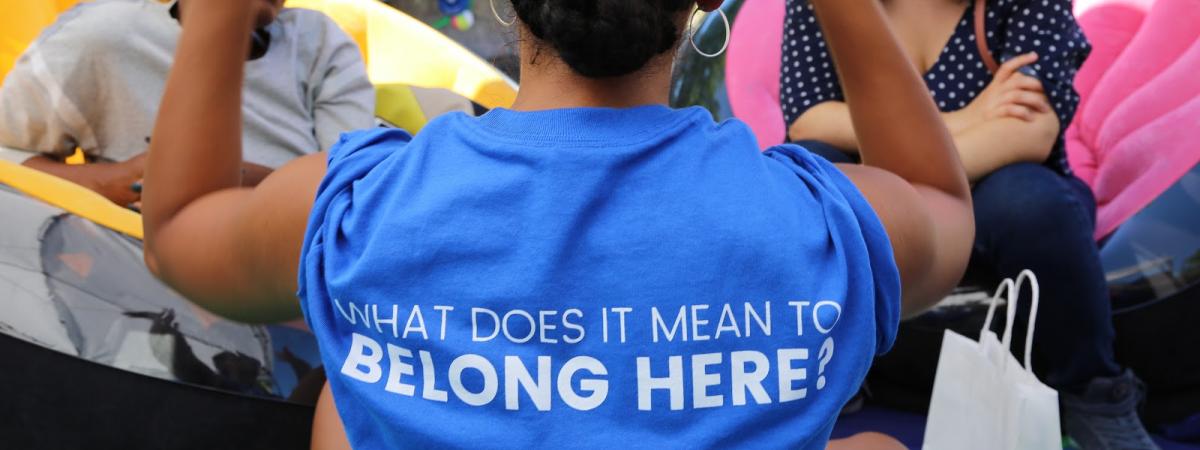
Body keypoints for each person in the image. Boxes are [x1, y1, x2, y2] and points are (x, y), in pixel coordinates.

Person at [140, 0, 975, 448]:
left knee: (342, 409)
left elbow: (178, 227)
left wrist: (217, 14)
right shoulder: (817, 223)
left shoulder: (363, 206)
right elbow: (940, 203)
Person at [780, 0, 1158, 448]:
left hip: (995, 179)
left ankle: (1091, 392)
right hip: (876, 189)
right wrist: (967, 118)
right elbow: (809, 119)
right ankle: (829, 375)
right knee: (810, 181)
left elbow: (1028, 132)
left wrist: (911, 170)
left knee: (1032, 204)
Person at [0, 0, 374, 208]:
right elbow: (7, 155)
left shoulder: (319, 42)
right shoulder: (101, 37)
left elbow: (354, 188)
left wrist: (243, 181)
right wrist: (107, 182)